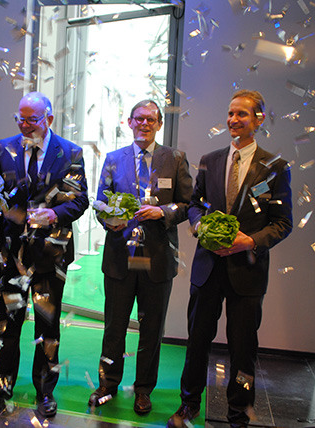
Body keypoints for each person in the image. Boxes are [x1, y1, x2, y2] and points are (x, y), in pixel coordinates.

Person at [167, 90, 293, 428]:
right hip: (207, 269)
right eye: (230, 113)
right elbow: (195, 204)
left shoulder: (275, 167)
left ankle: (239, 414)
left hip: (247, 272)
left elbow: (283, 223)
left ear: (258, 120)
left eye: (242, 114)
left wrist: (249, 241)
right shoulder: (210, 159)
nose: (233, 120)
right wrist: (199, 226)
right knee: (196, 342)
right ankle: (189, 404)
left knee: (243, 349)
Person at [0, 92, 88, 418]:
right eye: (21, 119)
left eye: (32, 120)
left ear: (49, 119)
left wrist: (55, 214)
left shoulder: (70, 152)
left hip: (50, 254)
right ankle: (1, 388)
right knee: (7, 326)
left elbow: (79, 200)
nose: (25, 126)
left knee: (47, 328)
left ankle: (45, 391)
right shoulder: (5, 148)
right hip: (10, 254)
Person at [89, 99, 193, 415]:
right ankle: (107, 384)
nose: (144, 124)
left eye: (150, 119)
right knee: (114, 327)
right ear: (130, 122)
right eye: (139, 118)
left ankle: (143, 390)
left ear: (159, 124)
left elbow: (188, 205)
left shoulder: (175, 159)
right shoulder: (113, 159)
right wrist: (109, 220)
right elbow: (100, 203)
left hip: (157, 259)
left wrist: (163, 212)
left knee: (151, 330)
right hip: (120, 258)